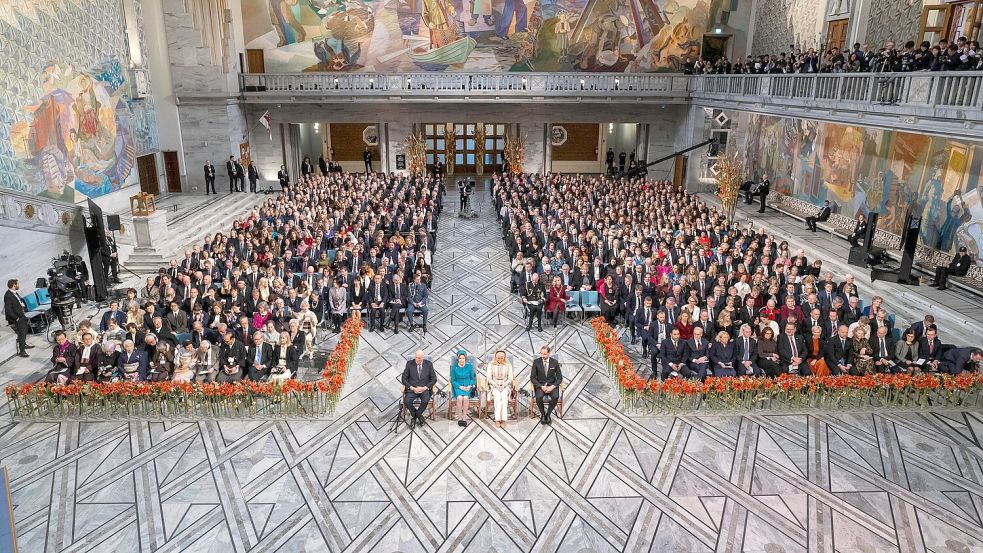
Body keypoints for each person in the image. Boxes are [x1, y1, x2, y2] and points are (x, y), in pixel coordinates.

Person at [402, 350, 436, 429]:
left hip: (424, 389)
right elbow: (403, 378)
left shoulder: (429, 364)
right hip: (412, 389)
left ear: (423, 358)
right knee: (407, 401)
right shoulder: (409, 364)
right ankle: (418, 416)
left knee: (425, 400)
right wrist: (412, 388)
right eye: (416, 358)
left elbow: (434, 379)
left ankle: (414, 417)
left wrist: (425, 387)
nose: (417, 360)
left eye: (419, 358)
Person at [530, 345, 562, 424]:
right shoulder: (536, 362)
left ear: (549, 353)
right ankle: (543, 414)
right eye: (541, 354)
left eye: (544, 354)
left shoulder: (554, 362)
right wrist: (541, 386)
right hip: (540, 384)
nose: (542, 356)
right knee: (539, 397)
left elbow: (560, 377)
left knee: (555, 396)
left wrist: (553, 386)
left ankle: (548, 414)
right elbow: (532, 377)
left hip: (552, 384)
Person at [487, 350, 514, 428]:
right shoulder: (491, 364)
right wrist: (496, 385)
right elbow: (489, 378)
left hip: (505, 385)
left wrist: (504, 385)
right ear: (495, 357)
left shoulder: (508, 364)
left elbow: (510, 378)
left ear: (504, 357)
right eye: (498, 358)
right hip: (494, 385)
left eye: (502, 358)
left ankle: (503, 419)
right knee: (498, 398)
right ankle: (497, 419)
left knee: (504, 397)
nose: (500, 360)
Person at [5, 279, 31, 357]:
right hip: (18, 318)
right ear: (14, 285)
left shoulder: (14, 292)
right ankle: (22, 351)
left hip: (21, 315)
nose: (18, 285)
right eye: (17, 284)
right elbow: (8, 310)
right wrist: (16, 318)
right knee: (22, 333)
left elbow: (19, 302)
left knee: (25, 330)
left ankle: (24, 344)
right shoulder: (8, 296)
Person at [449, 350, 476, 427]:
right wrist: (460, 387)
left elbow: (472, 379)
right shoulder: (454, 367)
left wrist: (470, 386)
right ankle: (459, 417)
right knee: (460, 398)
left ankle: (464, 418)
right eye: (460, 358)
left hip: (467, 386)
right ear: (458, 359)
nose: (461, 360)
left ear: (465, 359)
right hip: (458, 386)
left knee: (466, 398)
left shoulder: (469, 366)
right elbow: (453, 380)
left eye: (463, 358)